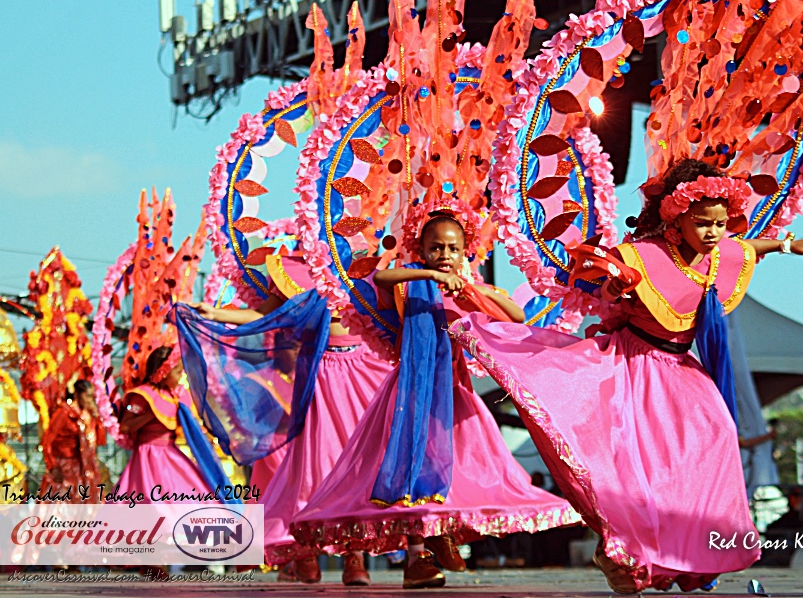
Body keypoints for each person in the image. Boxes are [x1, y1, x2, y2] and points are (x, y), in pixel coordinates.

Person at [453, 158, 803, 593]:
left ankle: (687, 554)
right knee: (639, 467)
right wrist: (614, 286)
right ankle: (622, 550)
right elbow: (604, 283)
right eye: (703, 223)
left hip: (681, 368)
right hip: (633, 368)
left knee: (717, 434)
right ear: (677, 218)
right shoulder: (642, 256)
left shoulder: (720, 252)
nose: (713, 233)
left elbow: (748, 248)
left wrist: (787, 246)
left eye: (721, 224)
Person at [290, 206, 581, 589]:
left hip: (456, 395)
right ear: (422, 250)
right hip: (414, 393)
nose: (444, 255)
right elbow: (380, 276)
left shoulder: (468, 290)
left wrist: (473, 289)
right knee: (411, 468)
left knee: (463, 468)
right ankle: (416, 556)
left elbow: (514, 316)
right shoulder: (411, 285)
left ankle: (442, 535)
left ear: (465, 252)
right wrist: (428, 275)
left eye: (452, 248)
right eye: (436, 248)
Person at [185, 252, 392, 585]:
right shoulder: (291, 269)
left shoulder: (366, 266)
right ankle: (305, 550)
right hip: (320, 374)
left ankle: (354, 557)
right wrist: (215, 313)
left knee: (361, 466)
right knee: (316, 465)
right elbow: (261, 315)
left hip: (365, 370)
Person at [116, 346, 220, 503]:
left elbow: (190, 424)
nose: (181, 376)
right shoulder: (142, 396)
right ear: (162, 373)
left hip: (171, 453)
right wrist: (150, 414)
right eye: (177, 372)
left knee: (194, 494)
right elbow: (125, 426)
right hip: (148, 457)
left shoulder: (176, 395)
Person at [39, 379, 104, 501]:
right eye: (87, 396)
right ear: (77, 394)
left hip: (82, 468)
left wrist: (96, 418)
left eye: (92, 396)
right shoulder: (64, 412)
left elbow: (100, 441)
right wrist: (52, 466)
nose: (90, 400)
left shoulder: (87, 415)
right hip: (63, 466)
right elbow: (47, 440)